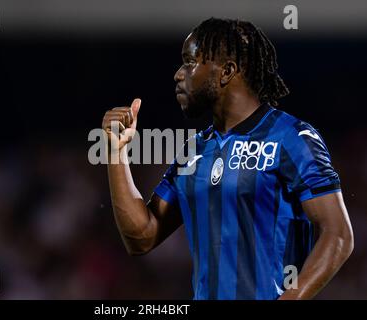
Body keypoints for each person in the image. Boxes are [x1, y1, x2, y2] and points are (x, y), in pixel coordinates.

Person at [101, 18, 353, 300]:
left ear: (227, 71)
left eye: (190, 61)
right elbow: (142, 236)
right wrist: (115, 152)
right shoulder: (194, 151)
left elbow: (338, 234)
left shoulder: (292, 138)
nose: (178, 74)